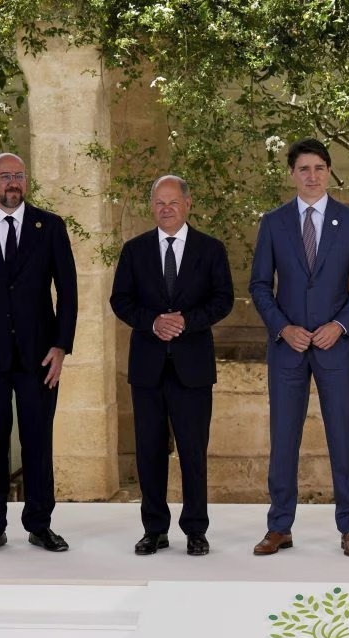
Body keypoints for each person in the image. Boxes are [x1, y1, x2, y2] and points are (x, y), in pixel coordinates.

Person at [248, 138, 349, 557]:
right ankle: (279, 527)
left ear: (328, 172)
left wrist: (339, 325)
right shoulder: (273, 223)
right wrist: (283, 328)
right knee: (284, 438)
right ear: (292, 174)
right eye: (303, 168)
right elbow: (259, 285)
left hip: (335, 348)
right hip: (287, 349)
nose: (312, 176)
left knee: (343, 437)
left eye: (319, 168)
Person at [0, 152, 78, 554]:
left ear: (26, 181)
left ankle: (40, 525)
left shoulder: (50, 227)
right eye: (4, 176)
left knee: (39, 441)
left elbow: (68, 292)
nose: (13, 182)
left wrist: (61, 346)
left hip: (40, 357)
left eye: (18, 175)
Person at [109, 175, 234, 556]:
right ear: (152, 206)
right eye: (160, 202)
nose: (166, 208)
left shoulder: (210, 249)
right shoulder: (134, 250)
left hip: (192, 369)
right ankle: (154, 529)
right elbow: (120, 300)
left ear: (187, 204)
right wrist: (152, 322)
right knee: (149, 452)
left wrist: (185, 321)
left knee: (193, 453)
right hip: (147, 369)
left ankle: (196, 530)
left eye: (173, 202)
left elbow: (223, 299)